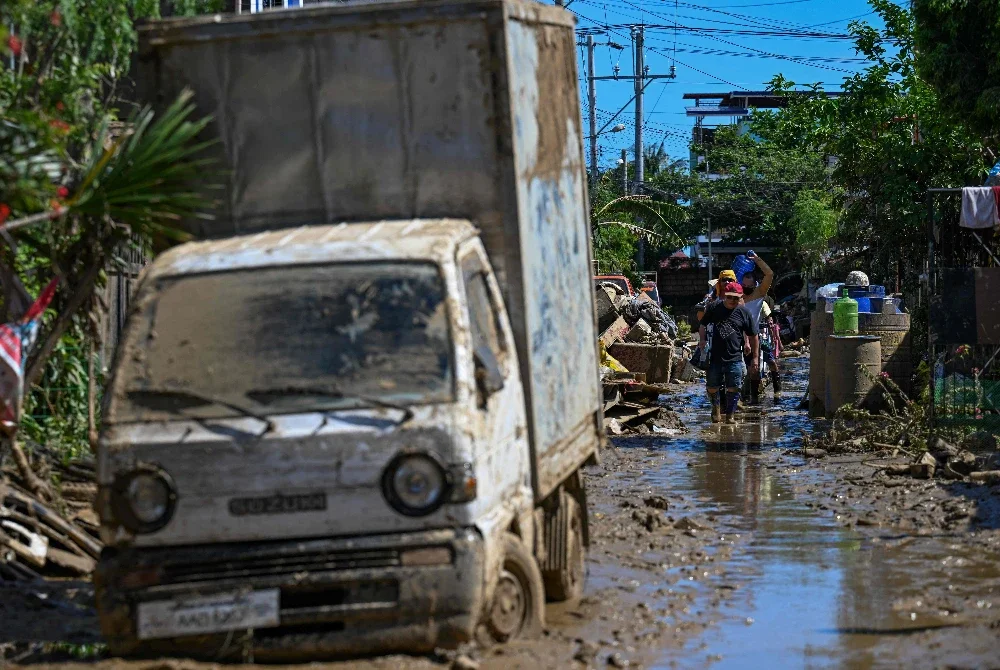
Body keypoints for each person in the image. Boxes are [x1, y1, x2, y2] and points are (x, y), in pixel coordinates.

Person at [700, 281, 759, 424]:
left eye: (736, 298)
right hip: (715, 356)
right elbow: (703, 324)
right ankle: (716, 409)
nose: (733, 301)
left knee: (734, 387)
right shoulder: (714, 307)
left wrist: (755, 358)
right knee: (712, 386)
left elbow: (753, 336)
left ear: (740, 298)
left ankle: (730, 416)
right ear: (725, 295)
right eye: (730, 297)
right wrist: (702, 340)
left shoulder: (744, 313)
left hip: (735, 357)